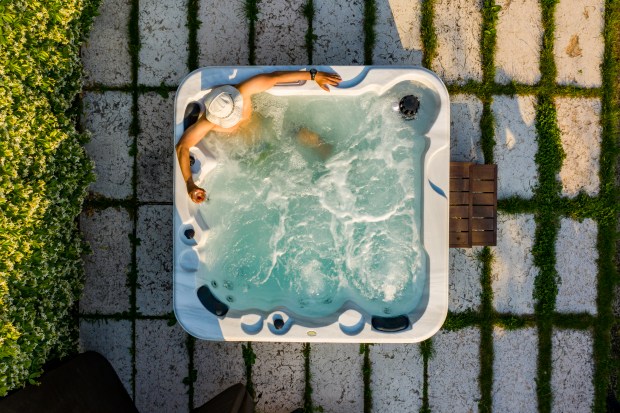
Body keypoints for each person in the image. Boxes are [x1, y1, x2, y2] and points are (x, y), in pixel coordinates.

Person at [175, 69, 342, 204]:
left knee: (303, 133)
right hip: (245, 153)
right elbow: (182, 147)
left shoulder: (243, 92)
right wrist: (190, 183)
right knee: (270, 183)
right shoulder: (208, 122)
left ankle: (336, 161)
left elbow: (275, 77)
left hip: (268, 131)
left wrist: (314, 76)